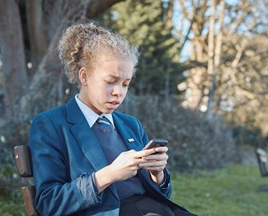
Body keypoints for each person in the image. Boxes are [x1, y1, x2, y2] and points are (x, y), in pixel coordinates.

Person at [29, 22, 196, 216]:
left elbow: (161, 192)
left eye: (126, 84)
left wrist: (158, 174)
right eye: (110, 82)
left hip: (153, 209)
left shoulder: (131, 124)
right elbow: (48, 202)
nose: (119, 92)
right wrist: (107, 175)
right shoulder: (51, 124)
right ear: (84, 77)